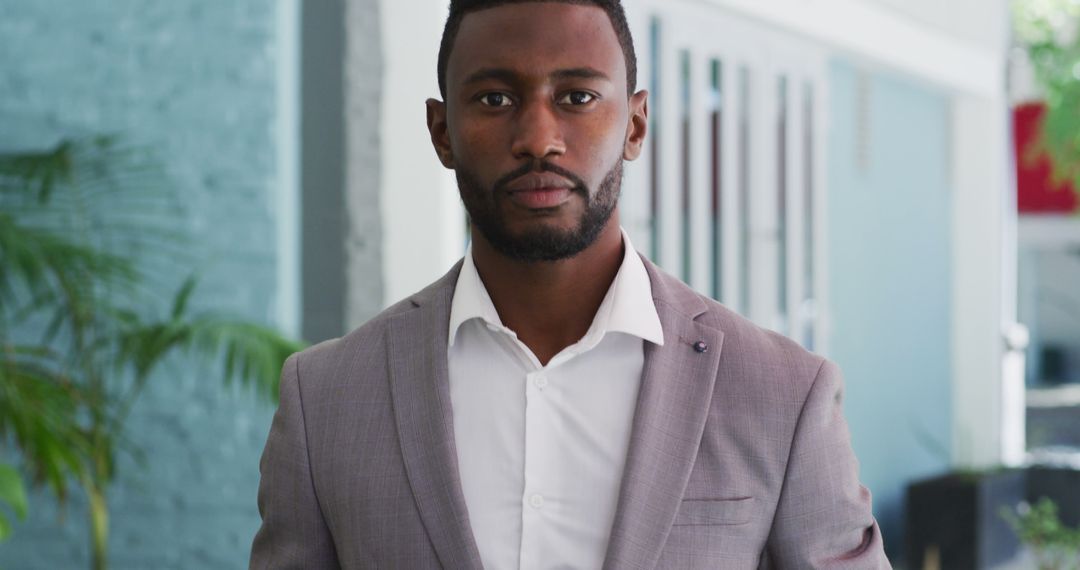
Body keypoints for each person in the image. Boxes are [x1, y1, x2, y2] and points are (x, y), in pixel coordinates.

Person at [250, 1, 891, 568]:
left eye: (577, 97)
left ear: (635, 125)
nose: (538, 139)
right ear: (442, 132)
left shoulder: (783, 395)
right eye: (495, 99)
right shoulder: (326, 400)